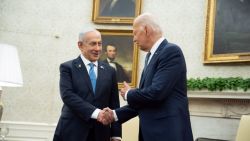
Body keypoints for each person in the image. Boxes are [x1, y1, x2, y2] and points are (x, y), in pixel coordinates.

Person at [103, 13, 194, 141]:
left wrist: (129, 93)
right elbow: (145, 100)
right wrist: (114, 114)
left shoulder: (171, 51)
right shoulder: (150, 57)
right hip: (151, 134)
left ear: (146, 30)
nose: (134, 39)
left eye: (135, 33)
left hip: (167, 134)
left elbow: (157, 92)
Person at [53, 29, 121, 141]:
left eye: (100, 44)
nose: (98, 48)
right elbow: (68, 96)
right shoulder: (67, 68)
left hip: (101, 134)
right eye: (93, 44)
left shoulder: (110, 71)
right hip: (72, 132)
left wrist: (116, 134)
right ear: (80, 45)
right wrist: (97, 113)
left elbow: (114, 103)